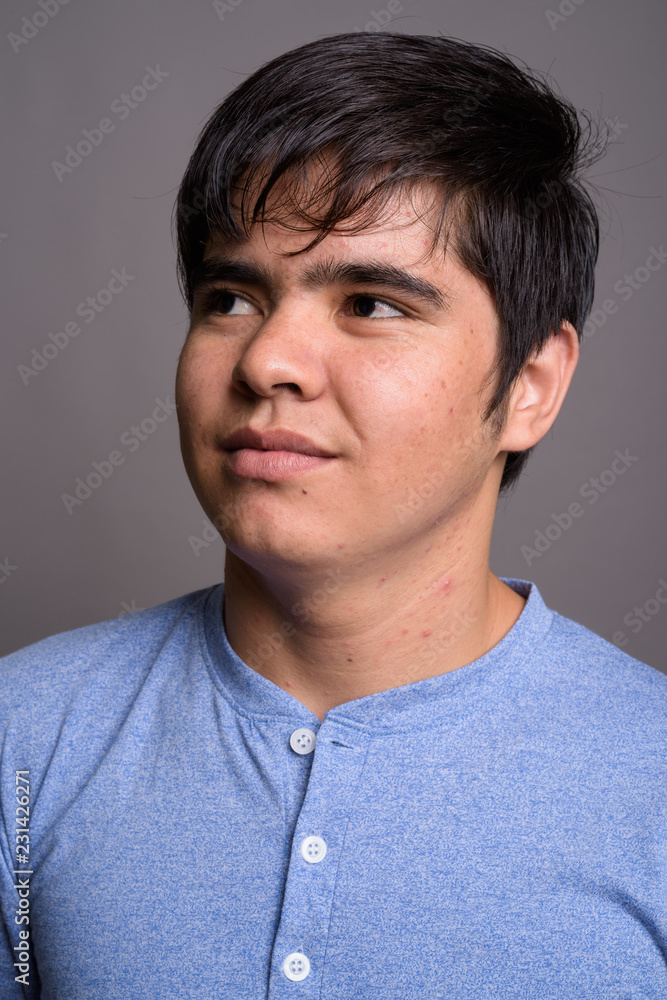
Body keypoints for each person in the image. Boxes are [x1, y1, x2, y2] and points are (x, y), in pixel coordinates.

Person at [1, 31, 665, 998]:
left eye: (372, 304)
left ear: (530, 383)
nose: (268, 359)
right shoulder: (23, 737)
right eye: (229, 296)